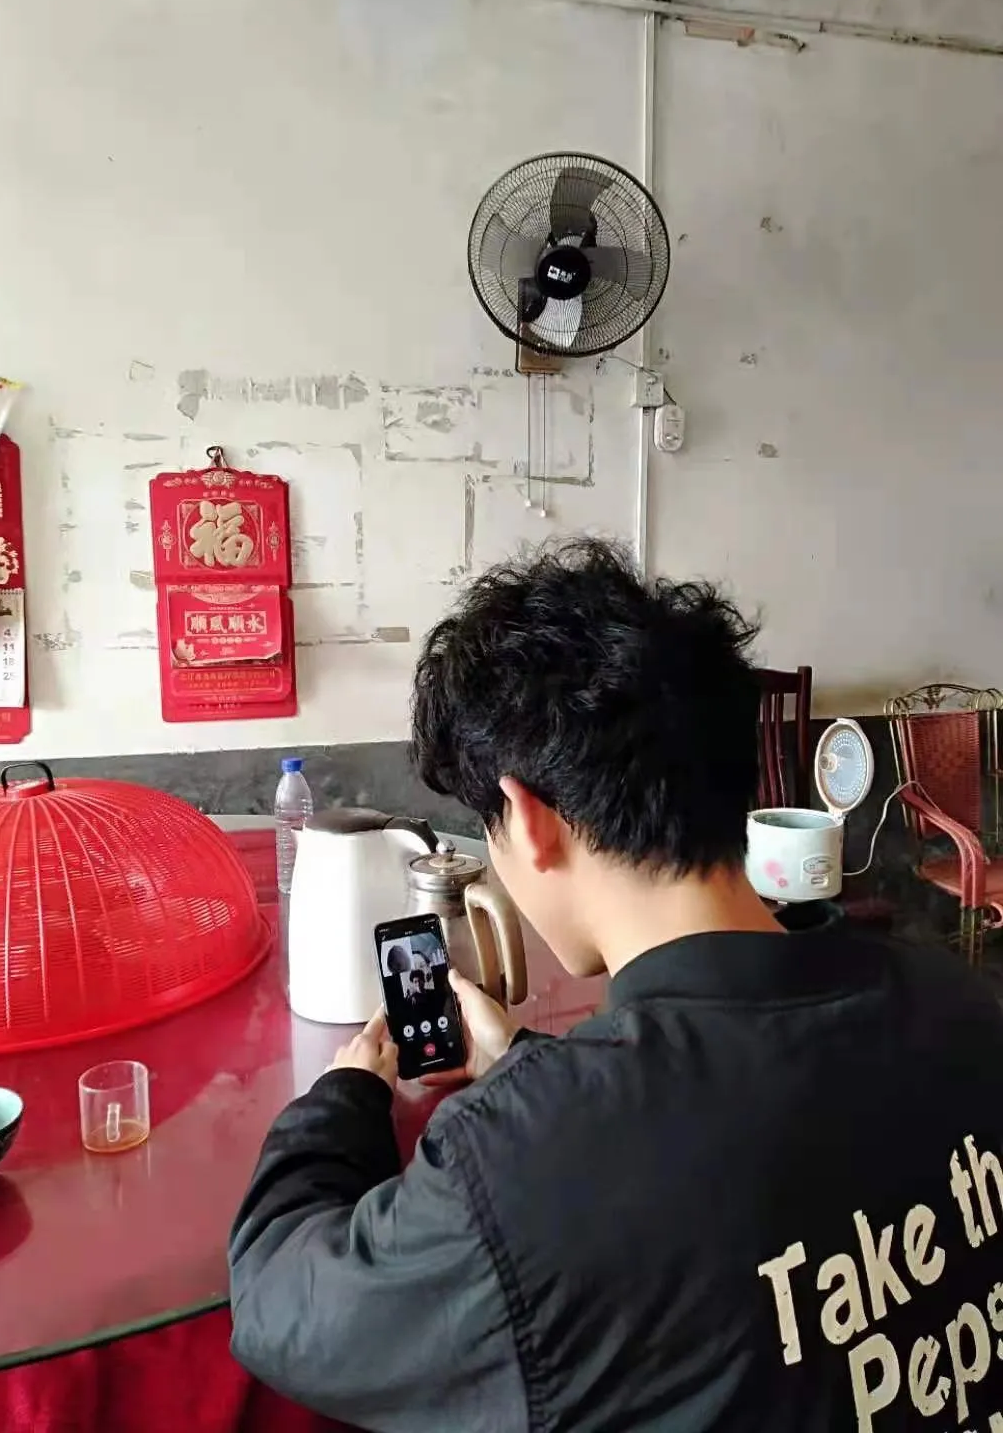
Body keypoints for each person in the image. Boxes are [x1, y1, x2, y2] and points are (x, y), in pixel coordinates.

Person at [229, 538, 1003, 1432]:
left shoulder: (524, 1164)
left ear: (528, 821)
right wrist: (524, 1065)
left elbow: (283, 1303)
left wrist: (345, 1096)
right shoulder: (961, 1003)